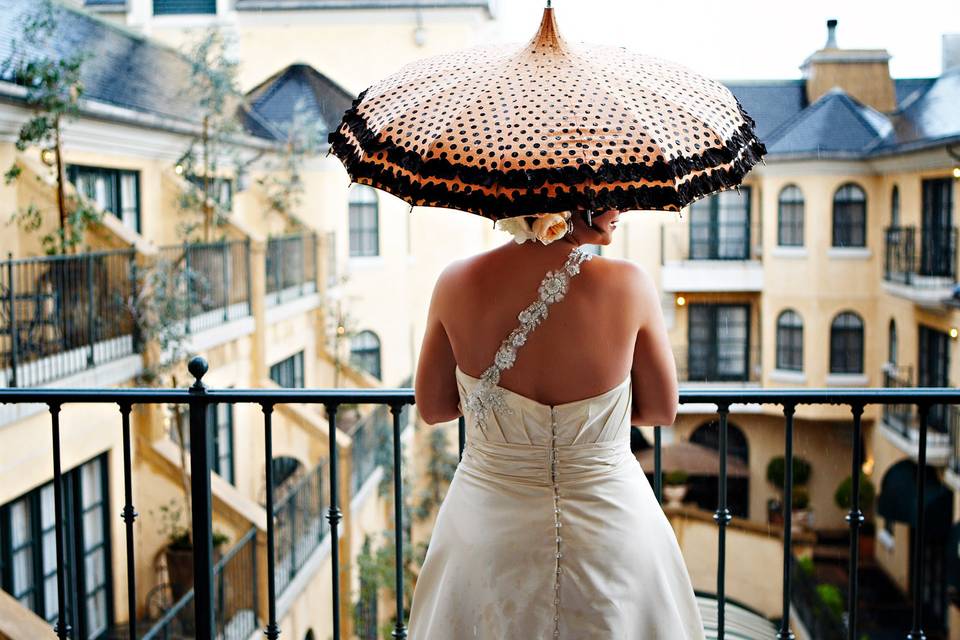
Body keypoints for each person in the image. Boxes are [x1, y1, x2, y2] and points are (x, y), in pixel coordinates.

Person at [410, 209, 705, 639]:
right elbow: (662, 409)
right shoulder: (629, 285)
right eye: (608, 191)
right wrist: (595, 418)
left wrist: (494, 410)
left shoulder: (456, 282)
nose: (618, 208)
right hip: (611, 537)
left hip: (487, 535)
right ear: (569, 201)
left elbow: (434, 407)